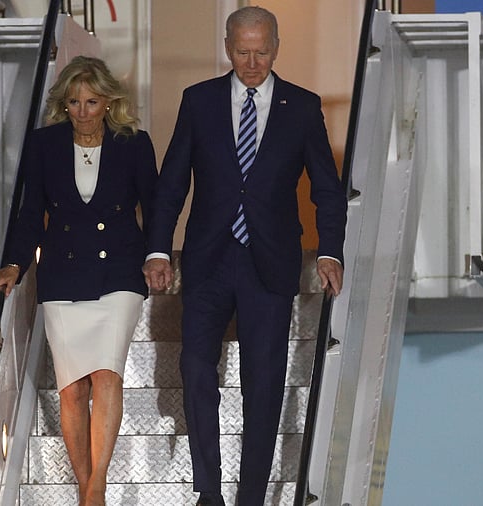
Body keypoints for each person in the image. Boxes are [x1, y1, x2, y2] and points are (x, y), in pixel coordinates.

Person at [142, 6, 347, 505]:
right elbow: (172, 182)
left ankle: (251, 494)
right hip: (209, 258)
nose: (252, 62)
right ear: (227, 46)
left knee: (265, 381)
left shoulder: (302, 106)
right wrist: (156, 248)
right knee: (193, 367)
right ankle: (209, 491)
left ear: (275, 48)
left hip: (270, 262)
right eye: (241, 52)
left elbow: (326, 187)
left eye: (261, 52)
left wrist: (330, 252)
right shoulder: (199, 101)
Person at [0, 55, 158, 506]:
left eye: (91, 101)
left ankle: (97, 485)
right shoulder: (44, 145)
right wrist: (15, 265)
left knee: (107, 375)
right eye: (74, 102)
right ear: (64, 104)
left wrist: (157, 254)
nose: (82, 110)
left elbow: (156, 206)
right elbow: (29, 215)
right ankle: (86, 487)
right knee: (71, 385)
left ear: (108, 102)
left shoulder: (134, 143)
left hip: (119, 271)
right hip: (63, 273)